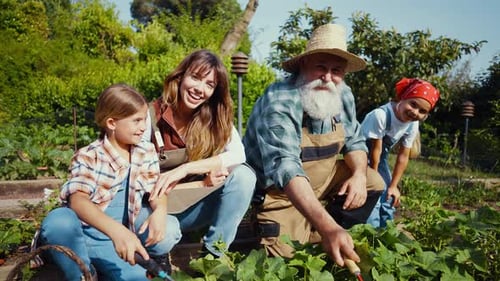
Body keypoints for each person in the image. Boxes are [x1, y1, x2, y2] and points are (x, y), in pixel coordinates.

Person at [242, 23, 385, 267]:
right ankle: (322, 230)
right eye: (321, 67)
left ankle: (324, 233)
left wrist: (359, 175)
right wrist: (329, 226)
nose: (328, 77)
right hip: (279, 195)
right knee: (289, 265)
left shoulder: (343, 94)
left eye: (336, 70)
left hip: (321, 185)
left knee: (373, 182)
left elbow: (355, 141)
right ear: (303, 66)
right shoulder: (280, 100)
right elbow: (285, 166)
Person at [38, 84, 180, 281]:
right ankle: (83, 273)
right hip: (81, 234)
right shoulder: (89, 156)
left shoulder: (145, 151)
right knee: (58, 222)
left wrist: (160, 210)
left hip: (114, 242)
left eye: (145, 120)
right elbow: (78, 201)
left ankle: (109, 266)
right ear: (112, 123)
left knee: (168, 229)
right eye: (137, 121)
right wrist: (117, 231)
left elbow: (156, 188)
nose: (143, 127)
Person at [146, 49, 256, 257]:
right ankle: (154, 260)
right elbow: (137, 180)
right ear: (180, 77)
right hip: (154, 209)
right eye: (195, 78)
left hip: (193, 208)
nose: (200, 89)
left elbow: (238, 155)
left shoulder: (215, 118)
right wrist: (202, 181)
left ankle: (213, 256)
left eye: (209, 84)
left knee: (243, 176)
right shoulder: (149, 116)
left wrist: (186, 169)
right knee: (165, 235)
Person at [362, 78, 440, 228]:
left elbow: (403, 157)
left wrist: (393, 186)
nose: (415, 112)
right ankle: (370, 233)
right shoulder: (381, 115)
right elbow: (374, 151)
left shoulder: (412, 125)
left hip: (380, 158)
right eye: (413, 104)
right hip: (362, 155)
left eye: (422, 111)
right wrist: (374, 181)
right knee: (373, 197)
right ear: (403, 98)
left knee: (389, 197)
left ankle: (386, 234)